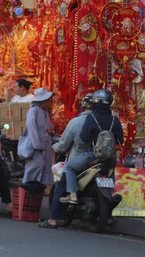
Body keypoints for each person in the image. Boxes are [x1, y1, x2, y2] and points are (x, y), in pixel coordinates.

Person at [60, 89, 124, 205]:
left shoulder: (91, 118)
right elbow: (121, 140)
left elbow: (84, 138)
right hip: (110, 158)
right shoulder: (115, 119)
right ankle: (109, 205)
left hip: (92, 156)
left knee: (69, 167)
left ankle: (73, 195)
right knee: (110, 172)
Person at [38, 93, 92, 229]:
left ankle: (53, 219)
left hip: (79, 158)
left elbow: (63, 144)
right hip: (99, 160)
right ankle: (108, 218)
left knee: (61, 185)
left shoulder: (76, 122)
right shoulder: (103, 120)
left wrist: (54, 147)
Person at [21, 87, 55, 187]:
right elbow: (32, 128)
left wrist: (56, 138)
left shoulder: (44, 112)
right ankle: (27, 187)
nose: (50, 102)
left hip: (45, 145)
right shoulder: (33, 111)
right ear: (43, 101)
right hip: (36, 146)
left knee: (44, 166)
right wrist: (37, 144)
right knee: (36, 166)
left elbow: (49, 129)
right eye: (48, 100)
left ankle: (37, 188)